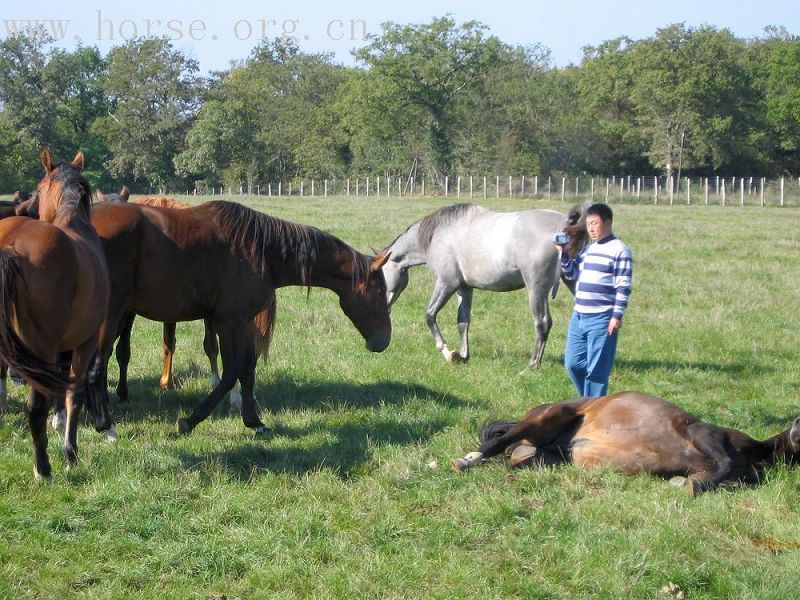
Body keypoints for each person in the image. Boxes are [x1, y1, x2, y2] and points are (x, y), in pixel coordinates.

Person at [556, 203, 632, 397]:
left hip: (602, 318)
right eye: (588, 224)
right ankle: (589, 402)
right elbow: (572, 274)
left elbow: (623, 286)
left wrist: (616, 316)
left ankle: (592, 408)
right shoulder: (588, 250)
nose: (590, 228)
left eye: (594, 223)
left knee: (597, 371)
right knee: (572, 363)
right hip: (579, 316)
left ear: (607, 223)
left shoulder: (620, 250)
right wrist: (563, 254)